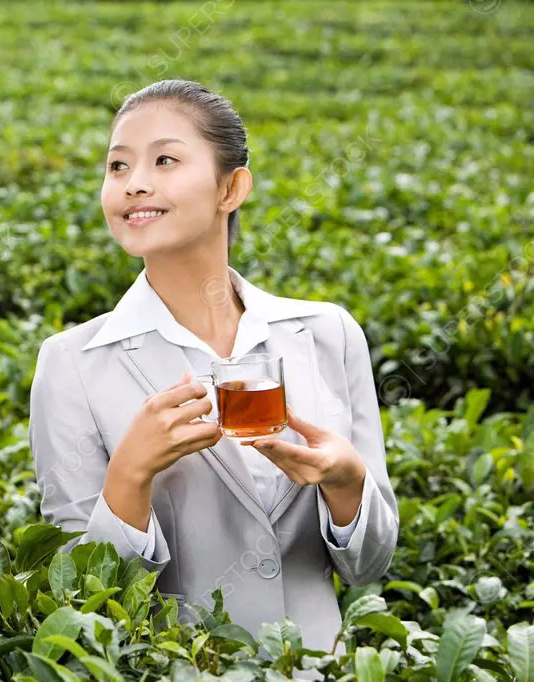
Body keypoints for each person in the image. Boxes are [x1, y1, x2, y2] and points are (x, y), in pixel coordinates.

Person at [28, 79, 398, 655]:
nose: (135, 184)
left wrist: (347, 480)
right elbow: (76, 598)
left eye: (165, 160)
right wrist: (130, 475)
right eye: (118, 167)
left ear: (231, 188)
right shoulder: (71, 363)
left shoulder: (328, 334)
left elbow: (369, 565)